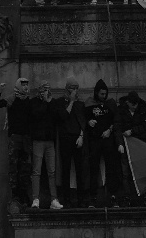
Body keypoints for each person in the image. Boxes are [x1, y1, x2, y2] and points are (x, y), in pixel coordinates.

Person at [0, 77, 33, 208]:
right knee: (13, 166)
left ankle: (23, 194)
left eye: (27, 84)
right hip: (15, 137)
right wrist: (0, 91)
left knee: (25, 168)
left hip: (26, 138)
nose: (26, 87)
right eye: (23, 84)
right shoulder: (12, 99)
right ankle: (15, 194)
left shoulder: (28, 100)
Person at [114, 90, 146, 204]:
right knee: (125, 172)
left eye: (136, 104)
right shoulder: (120, 110)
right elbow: (117, 127)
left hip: (139, 144)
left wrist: (133, 131)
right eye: (132, 104)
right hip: (125, 144)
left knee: (142, 171)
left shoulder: (142, 109)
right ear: (127, 102)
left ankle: (145, 196)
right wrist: (119, 143)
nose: (134, 107)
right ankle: (127, 197)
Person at [55, 77, 88, 208]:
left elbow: (83, 122)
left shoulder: (81, 105)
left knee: (80, 169)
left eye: (76, 88)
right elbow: (63, 116)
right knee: (65, 169)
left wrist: (81, 136)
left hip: (77, 138)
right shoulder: (60, 103)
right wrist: (71, 102)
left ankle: (81, 198)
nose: (75, 91)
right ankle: (66, 198)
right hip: (65, 139)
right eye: (72, 88)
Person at [30, 80, 63, 210]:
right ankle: (35, 198)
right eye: (44, 90)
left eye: (48, 90)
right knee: (36, 171)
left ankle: (54, 199)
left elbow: (57, 117)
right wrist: (45, 103)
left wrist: (49, 103)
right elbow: (36, 115)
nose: (46, 93)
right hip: (38, 140)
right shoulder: (34, 103)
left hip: (50, 141)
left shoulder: (52, 103)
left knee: (52, 171)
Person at [87, 79, 120, 203]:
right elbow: (84, 117)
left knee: (111, 166)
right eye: (101, 94)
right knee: (93, 167)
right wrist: (88, 121)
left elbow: (116, 120)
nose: (104, 96)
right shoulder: (89, 104)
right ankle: (92, 194)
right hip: (94, 139)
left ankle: (113, 193)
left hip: (108, 139)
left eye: (105, 94)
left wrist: (110, 130)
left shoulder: (110, 103)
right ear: (96, 93)